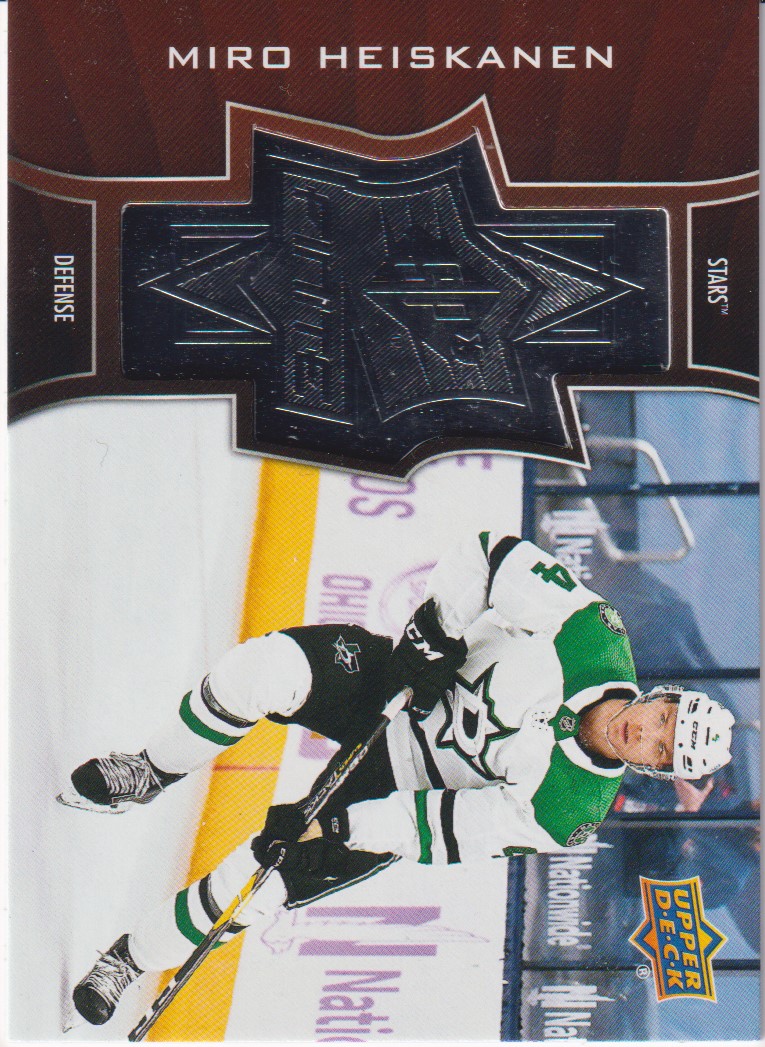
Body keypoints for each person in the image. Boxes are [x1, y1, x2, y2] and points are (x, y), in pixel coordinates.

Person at [58, 531, 735, 1026]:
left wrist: (338, 826)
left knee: (256, 885)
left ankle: (129, 958)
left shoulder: (570, 809)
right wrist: (435, 631)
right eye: (662, 719)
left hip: (400, 791)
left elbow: (443, 826)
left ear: (656, 770)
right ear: (664, 696)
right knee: (260, 670)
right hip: (399, 687)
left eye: (660, 750)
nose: (645, 734)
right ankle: (150, 769)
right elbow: (492, 556)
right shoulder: (592, 634)